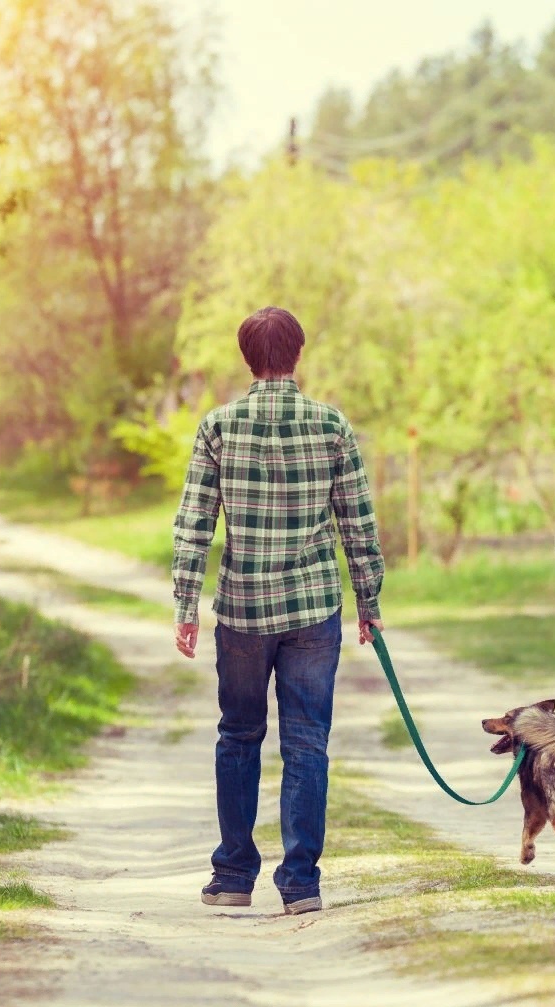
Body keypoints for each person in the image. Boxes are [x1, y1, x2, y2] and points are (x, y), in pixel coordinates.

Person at [171, 306, 385, 916]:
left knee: (238, 734)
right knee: (307, 741)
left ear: (247, 356)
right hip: (313, 610)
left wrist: (186, 603)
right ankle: (301, 885)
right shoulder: (331, 426)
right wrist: (369, 600)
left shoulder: (218, 426)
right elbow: (358, 525)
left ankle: (234, 876)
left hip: (241, 610)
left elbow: (193, 526)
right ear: (297, 354)